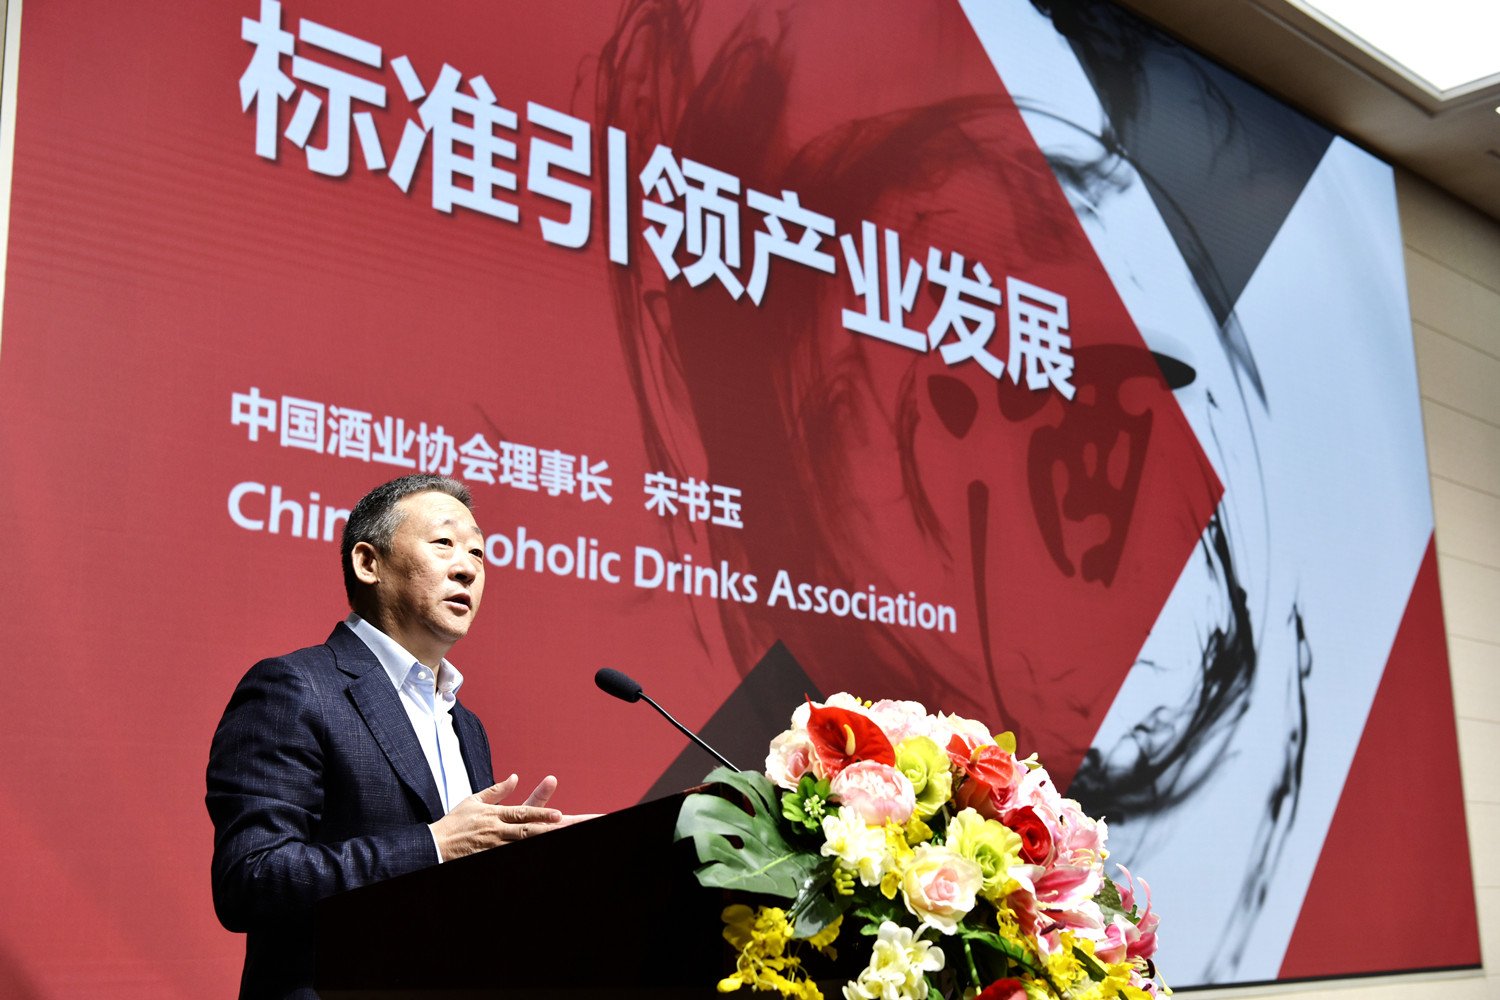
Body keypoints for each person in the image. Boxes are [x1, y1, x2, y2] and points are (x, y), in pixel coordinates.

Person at [206, 474, 586, 999]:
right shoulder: (296, 688)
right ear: (369, 563)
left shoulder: (465, 724)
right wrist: (434, 844)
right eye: (444, 542)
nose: (468, 567)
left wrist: (526, 858)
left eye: (478, 552)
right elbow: (250, 879)